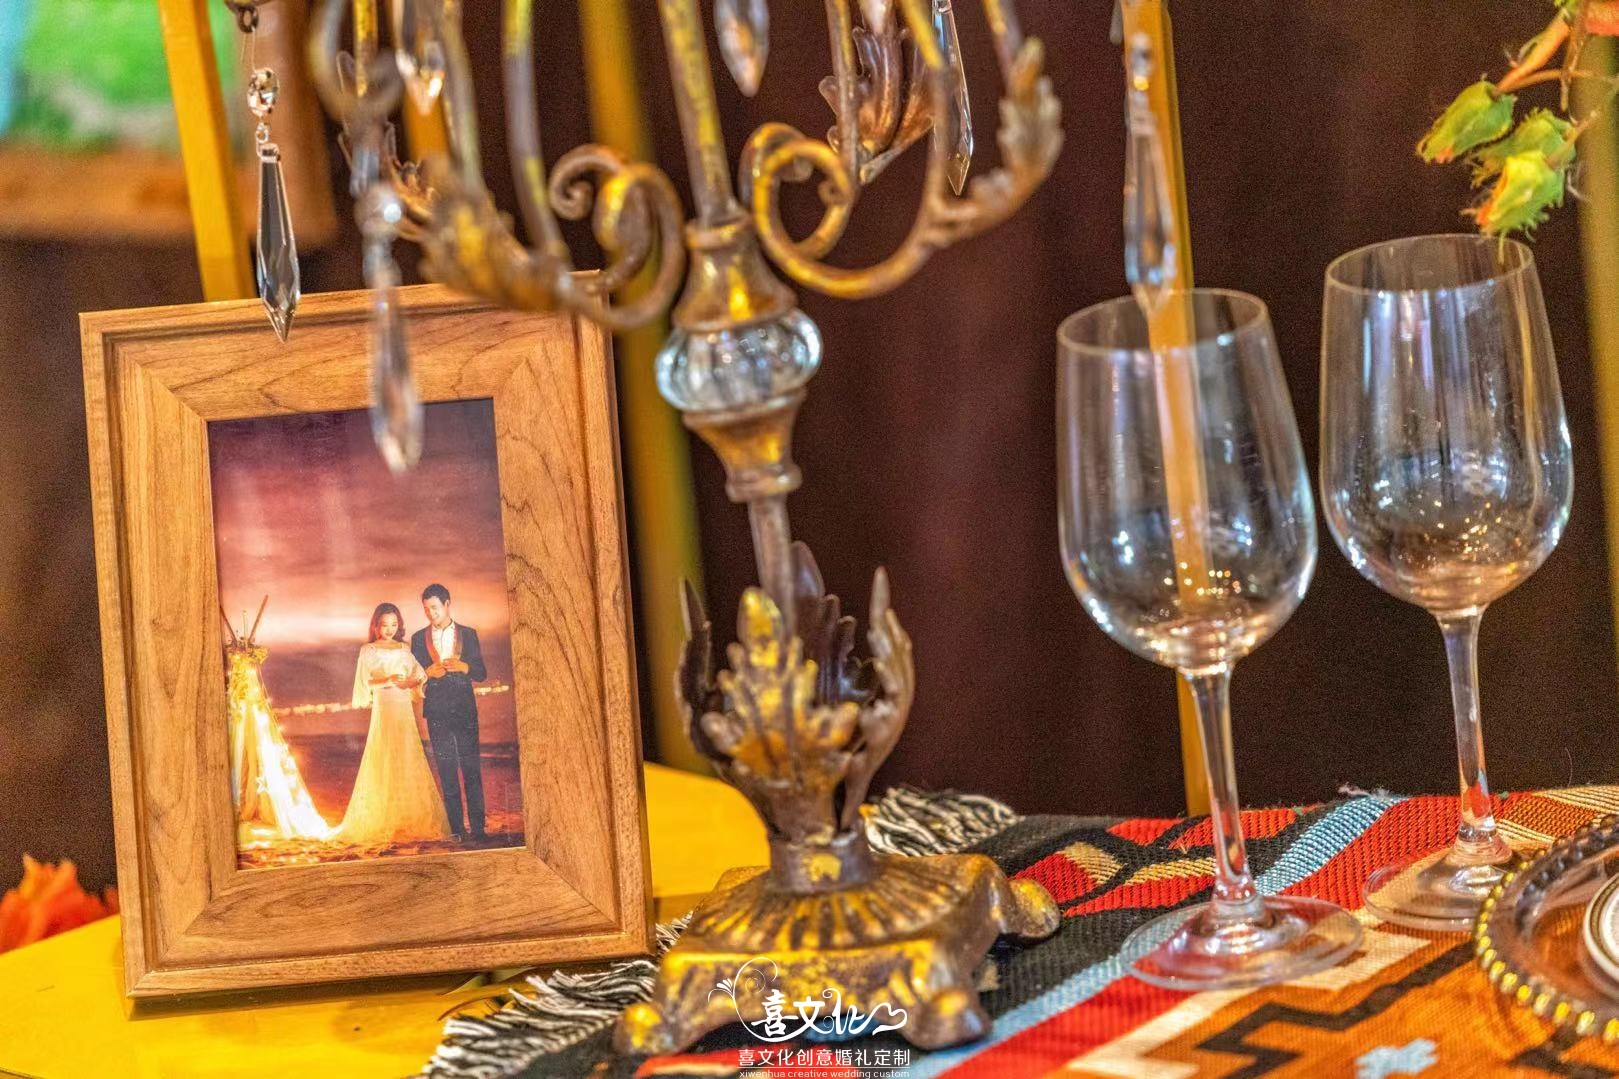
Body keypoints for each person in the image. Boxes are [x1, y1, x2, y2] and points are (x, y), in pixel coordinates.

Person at [338, 603, 451, 845]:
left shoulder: (404, 648)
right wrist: (388, 679)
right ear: (375, 626)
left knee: (407, 753)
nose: (389, 629)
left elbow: (419, 675)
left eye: (394, 624)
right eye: (384, 624)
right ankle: (383, 816)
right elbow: (366, 682)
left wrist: (410, 682)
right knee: (383, 751)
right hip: (384, 704)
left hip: (402, 705)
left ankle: (408, 816)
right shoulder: (368, 650)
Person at [411, 584, 488, 839]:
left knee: (471, 769)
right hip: (436, 713)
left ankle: (478, 829)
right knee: (446, 770)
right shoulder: (417, 639)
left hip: (465, 711)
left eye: (434, 607)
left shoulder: (469, 634)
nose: (430, 613)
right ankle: (457, 829)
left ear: (447, 604)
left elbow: (481, 673)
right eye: (426, 609)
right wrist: (427, 673)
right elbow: (414, 678)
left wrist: (465, 667)